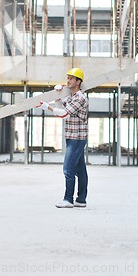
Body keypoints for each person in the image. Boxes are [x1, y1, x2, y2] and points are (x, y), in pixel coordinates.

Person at [37, 68, 88, 209]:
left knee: (68, 169)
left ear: (78, 81)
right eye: (68, 77)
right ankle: (81, 200)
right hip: (72, 137)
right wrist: (57, 96)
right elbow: (61, 107)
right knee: (80, 170)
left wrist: (47, 107)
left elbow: (64, 114)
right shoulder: (71, 97)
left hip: (77, 138)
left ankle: (68, 200)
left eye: (71, 78)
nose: (68, 80)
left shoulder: (80, 98)